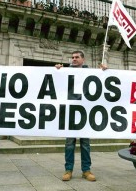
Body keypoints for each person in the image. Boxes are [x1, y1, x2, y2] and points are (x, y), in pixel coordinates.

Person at [55, 51, 107, 182]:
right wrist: (57, 71)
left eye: (77, 57)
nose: (74, 59)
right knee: (69, 144)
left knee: (85, 144)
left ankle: (86, 170)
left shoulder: (91, 72)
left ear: (83, 60)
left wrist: (104, 71)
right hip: (71, 113)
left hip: (85, 113)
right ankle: (68, 170)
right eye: (72, 57)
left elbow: (102, 82)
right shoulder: (65, 71)